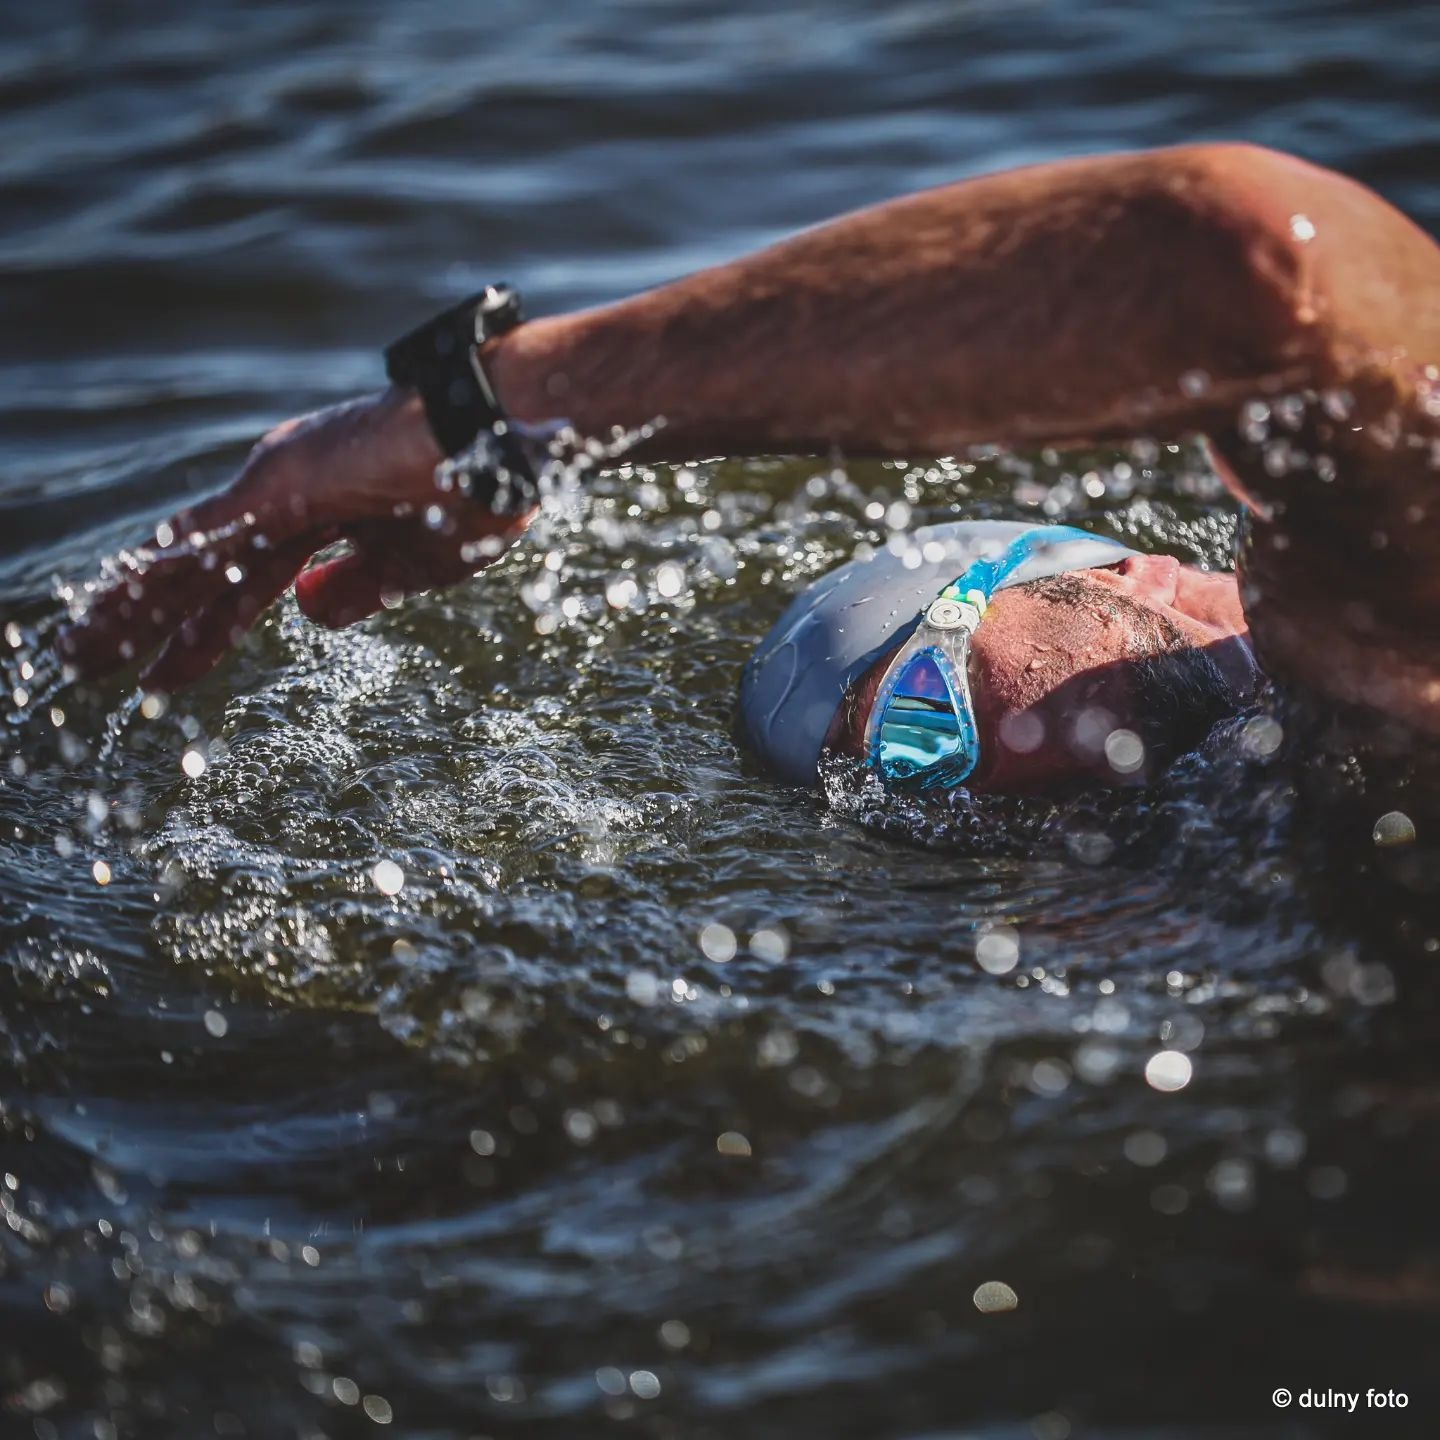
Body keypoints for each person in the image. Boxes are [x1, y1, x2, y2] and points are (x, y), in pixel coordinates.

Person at [58, 143, 1440, 796]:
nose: (932, 782)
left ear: (1132, 569)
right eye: (908, 797)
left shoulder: (1371, 621)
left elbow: (1260, 264)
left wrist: (496, 418)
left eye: (918, 714)